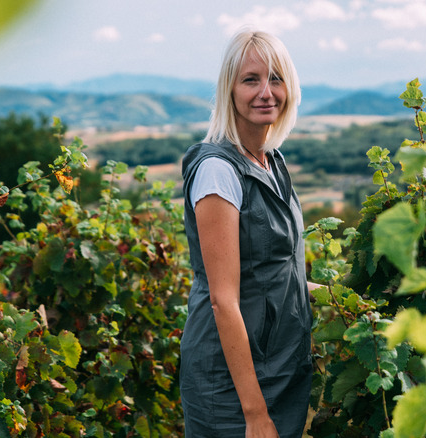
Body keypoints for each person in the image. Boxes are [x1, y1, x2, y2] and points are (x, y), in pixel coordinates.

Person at [180, 29, 317, 437]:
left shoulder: (271, 162)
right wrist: (255, 415)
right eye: (251, 79)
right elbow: (224, 301)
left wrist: (348, 300)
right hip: (232, 383)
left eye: (276, 79)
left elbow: (274, 271)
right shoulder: (218, 172)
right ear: (230, 90)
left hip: (279, 368)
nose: (266, 92)